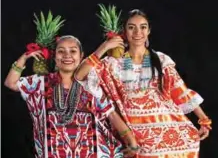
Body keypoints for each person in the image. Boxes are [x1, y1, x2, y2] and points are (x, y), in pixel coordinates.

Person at [75, 9, 212, 158]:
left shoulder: (160, 60)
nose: (137, 32)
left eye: (143, 27)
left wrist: (203, 119)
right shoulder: (113, 64)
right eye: (131, 27)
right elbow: (79, 75)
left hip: (170, 128)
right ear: (124, 31)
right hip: (137, 134)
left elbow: (179, 89)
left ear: (149, 31)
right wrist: (104, 47)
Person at [4, 35, 138, 158]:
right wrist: (24, 57)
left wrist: (132, 142)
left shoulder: (90, 85)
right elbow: (11, 83)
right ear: (55, 58)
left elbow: (111, 114)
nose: (67, 55)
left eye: (73, 51)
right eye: (61, 51)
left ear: (81, 56)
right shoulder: (41, 83)